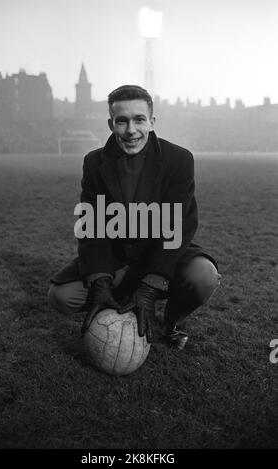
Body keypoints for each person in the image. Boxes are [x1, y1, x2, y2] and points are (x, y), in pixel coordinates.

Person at [48, 85, 221, 350]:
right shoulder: (94, 163)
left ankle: (171, 322)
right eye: (122, 121)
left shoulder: (179, 159)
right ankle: (116, 303)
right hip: (118, 259)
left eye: (139, 119)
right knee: (62, 296)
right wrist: (100, 282)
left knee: (203, 276)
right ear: (111, 124)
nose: (131, 130)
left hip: (162, 253)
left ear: (152, 122)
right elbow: (93, 230)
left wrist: (151, 286)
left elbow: (177, 227)